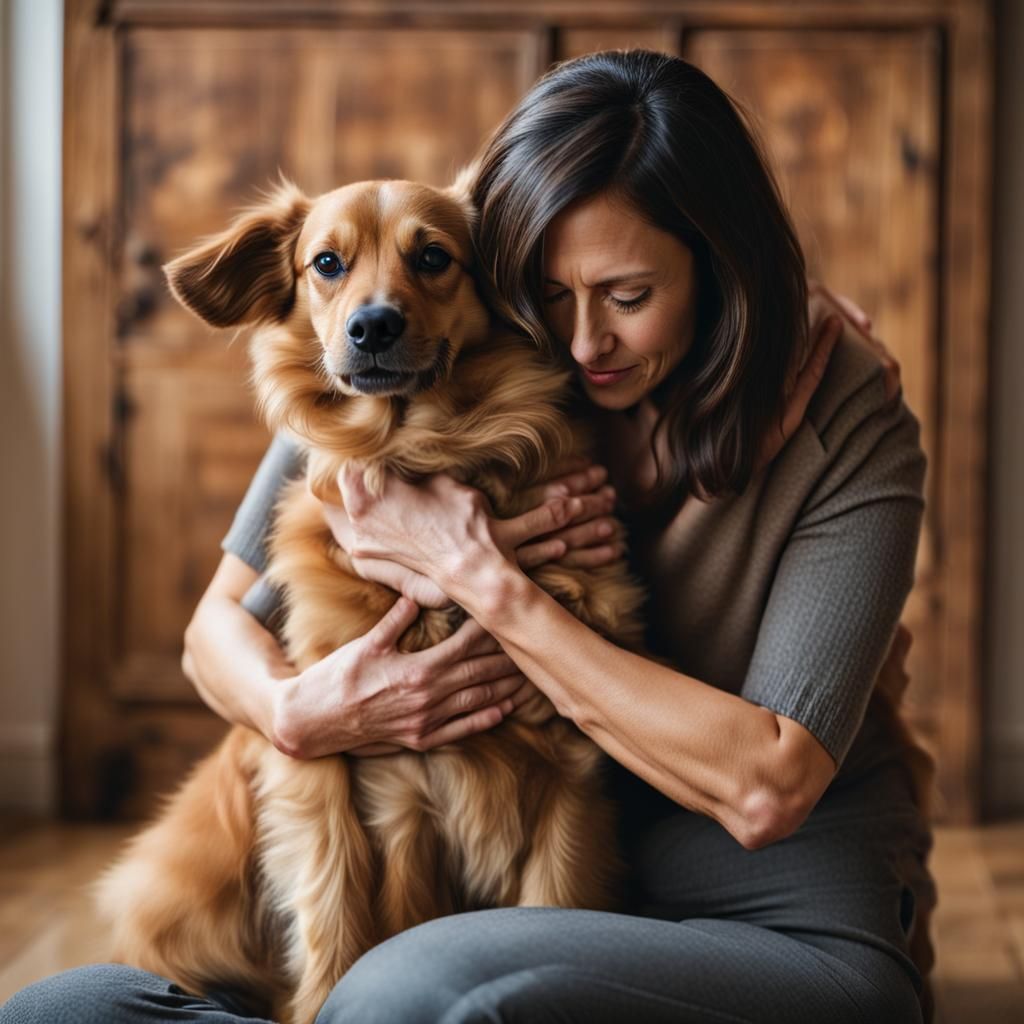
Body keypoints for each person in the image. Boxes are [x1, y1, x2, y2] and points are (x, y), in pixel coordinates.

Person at [1, 50, 935, 1024]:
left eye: (627, 296)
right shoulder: (432, 367)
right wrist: (299, 711)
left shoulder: (842, 414)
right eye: (548, 294)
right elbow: (216, 632)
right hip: (530, 904)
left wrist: (479, 576)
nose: (580, 344)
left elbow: (766, 786)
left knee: (414, 989)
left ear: (722, 271)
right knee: (65, 1008)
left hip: (766, 925)